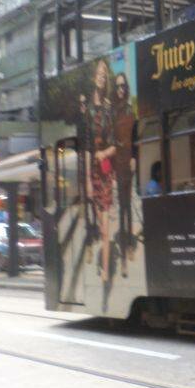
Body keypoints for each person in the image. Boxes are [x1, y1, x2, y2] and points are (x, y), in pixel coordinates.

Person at [84, 58, 116, 282]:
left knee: (105, 227)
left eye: (105, 74)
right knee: (94, 218)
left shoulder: (108, 108)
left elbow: (116, 144)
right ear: (94, 77)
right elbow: (85, 144)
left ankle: (105, 269)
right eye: (99, 73)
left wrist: (105, 153)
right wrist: (87, 177)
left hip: (104, 171)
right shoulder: (87, 106)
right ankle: (91, 245)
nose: (102, 77)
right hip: (90, 171)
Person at [112, 72, 136, 278]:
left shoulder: (130, 109)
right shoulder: (114, 112)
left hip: (129, 161)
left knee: (128, 205)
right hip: (119, 163)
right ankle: (123, 257)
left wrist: (134, 156)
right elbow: (112, 140)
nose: (121, 89)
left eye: (123, 86)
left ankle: (129, 246)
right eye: (118, 86)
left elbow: (135, 136)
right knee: (123, 208)